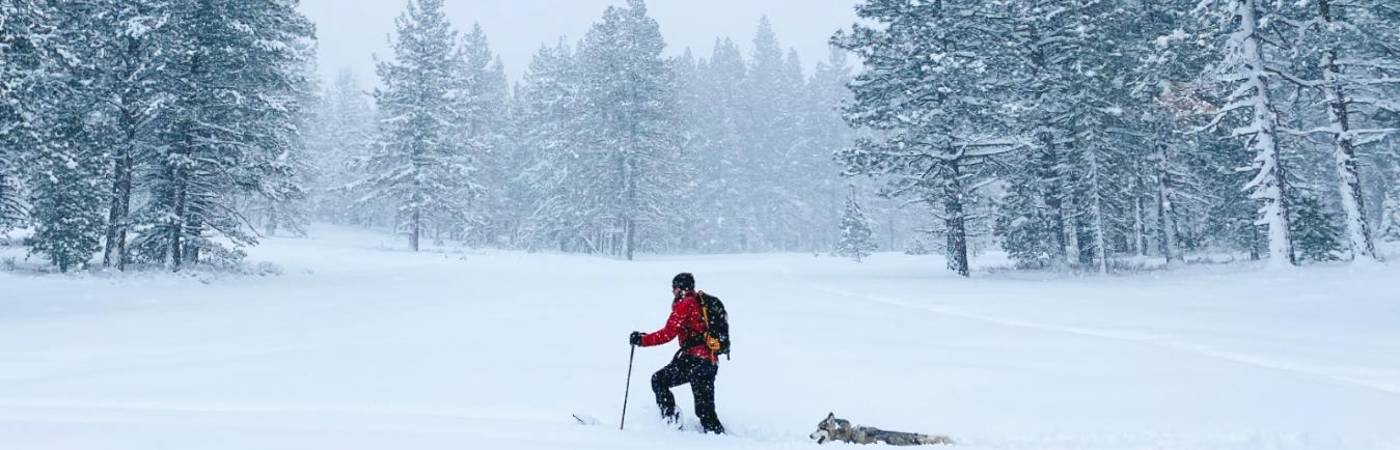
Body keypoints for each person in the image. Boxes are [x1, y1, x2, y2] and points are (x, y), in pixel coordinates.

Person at [629, 272, 725, 434]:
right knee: (706, 412)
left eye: (673, 288)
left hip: (694, 360)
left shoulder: (685, 304)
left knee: (659, 380)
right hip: (710, 361)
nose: (672, 291)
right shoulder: (699, 302)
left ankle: (672, 423)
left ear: (680, 288)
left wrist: (642, 340)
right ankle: (721, 439)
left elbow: (668, 334)